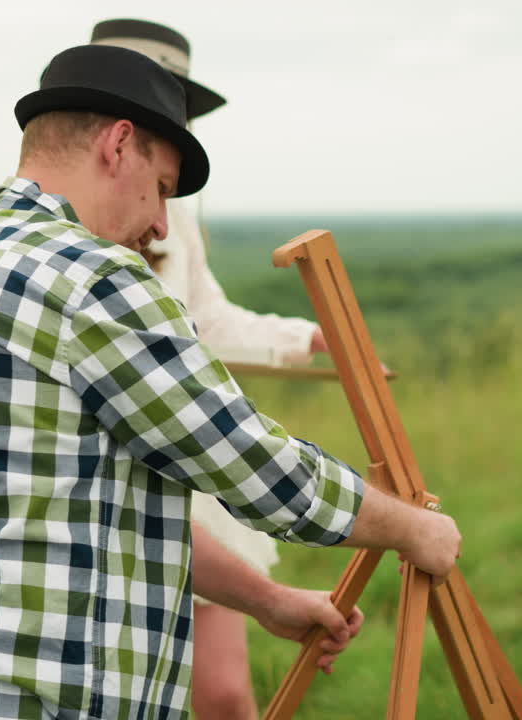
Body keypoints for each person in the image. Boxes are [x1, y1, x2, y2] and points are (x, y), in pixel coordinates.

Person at [0, 43, 460, 720]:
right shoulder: (93, 278)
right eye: (161, 187)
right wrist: (408, 527)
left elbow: (96, 512)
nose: (162, 224)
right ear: (119, 145)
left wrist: (267, 600)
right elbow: (248, 461)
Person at [89, 18, 328, 720]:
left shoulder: (174, 206)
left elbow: (204, 324)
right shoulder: (64, 208)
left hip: (184, 467)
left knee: (224, 694)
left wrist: (304, 337)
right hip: (98, 467)